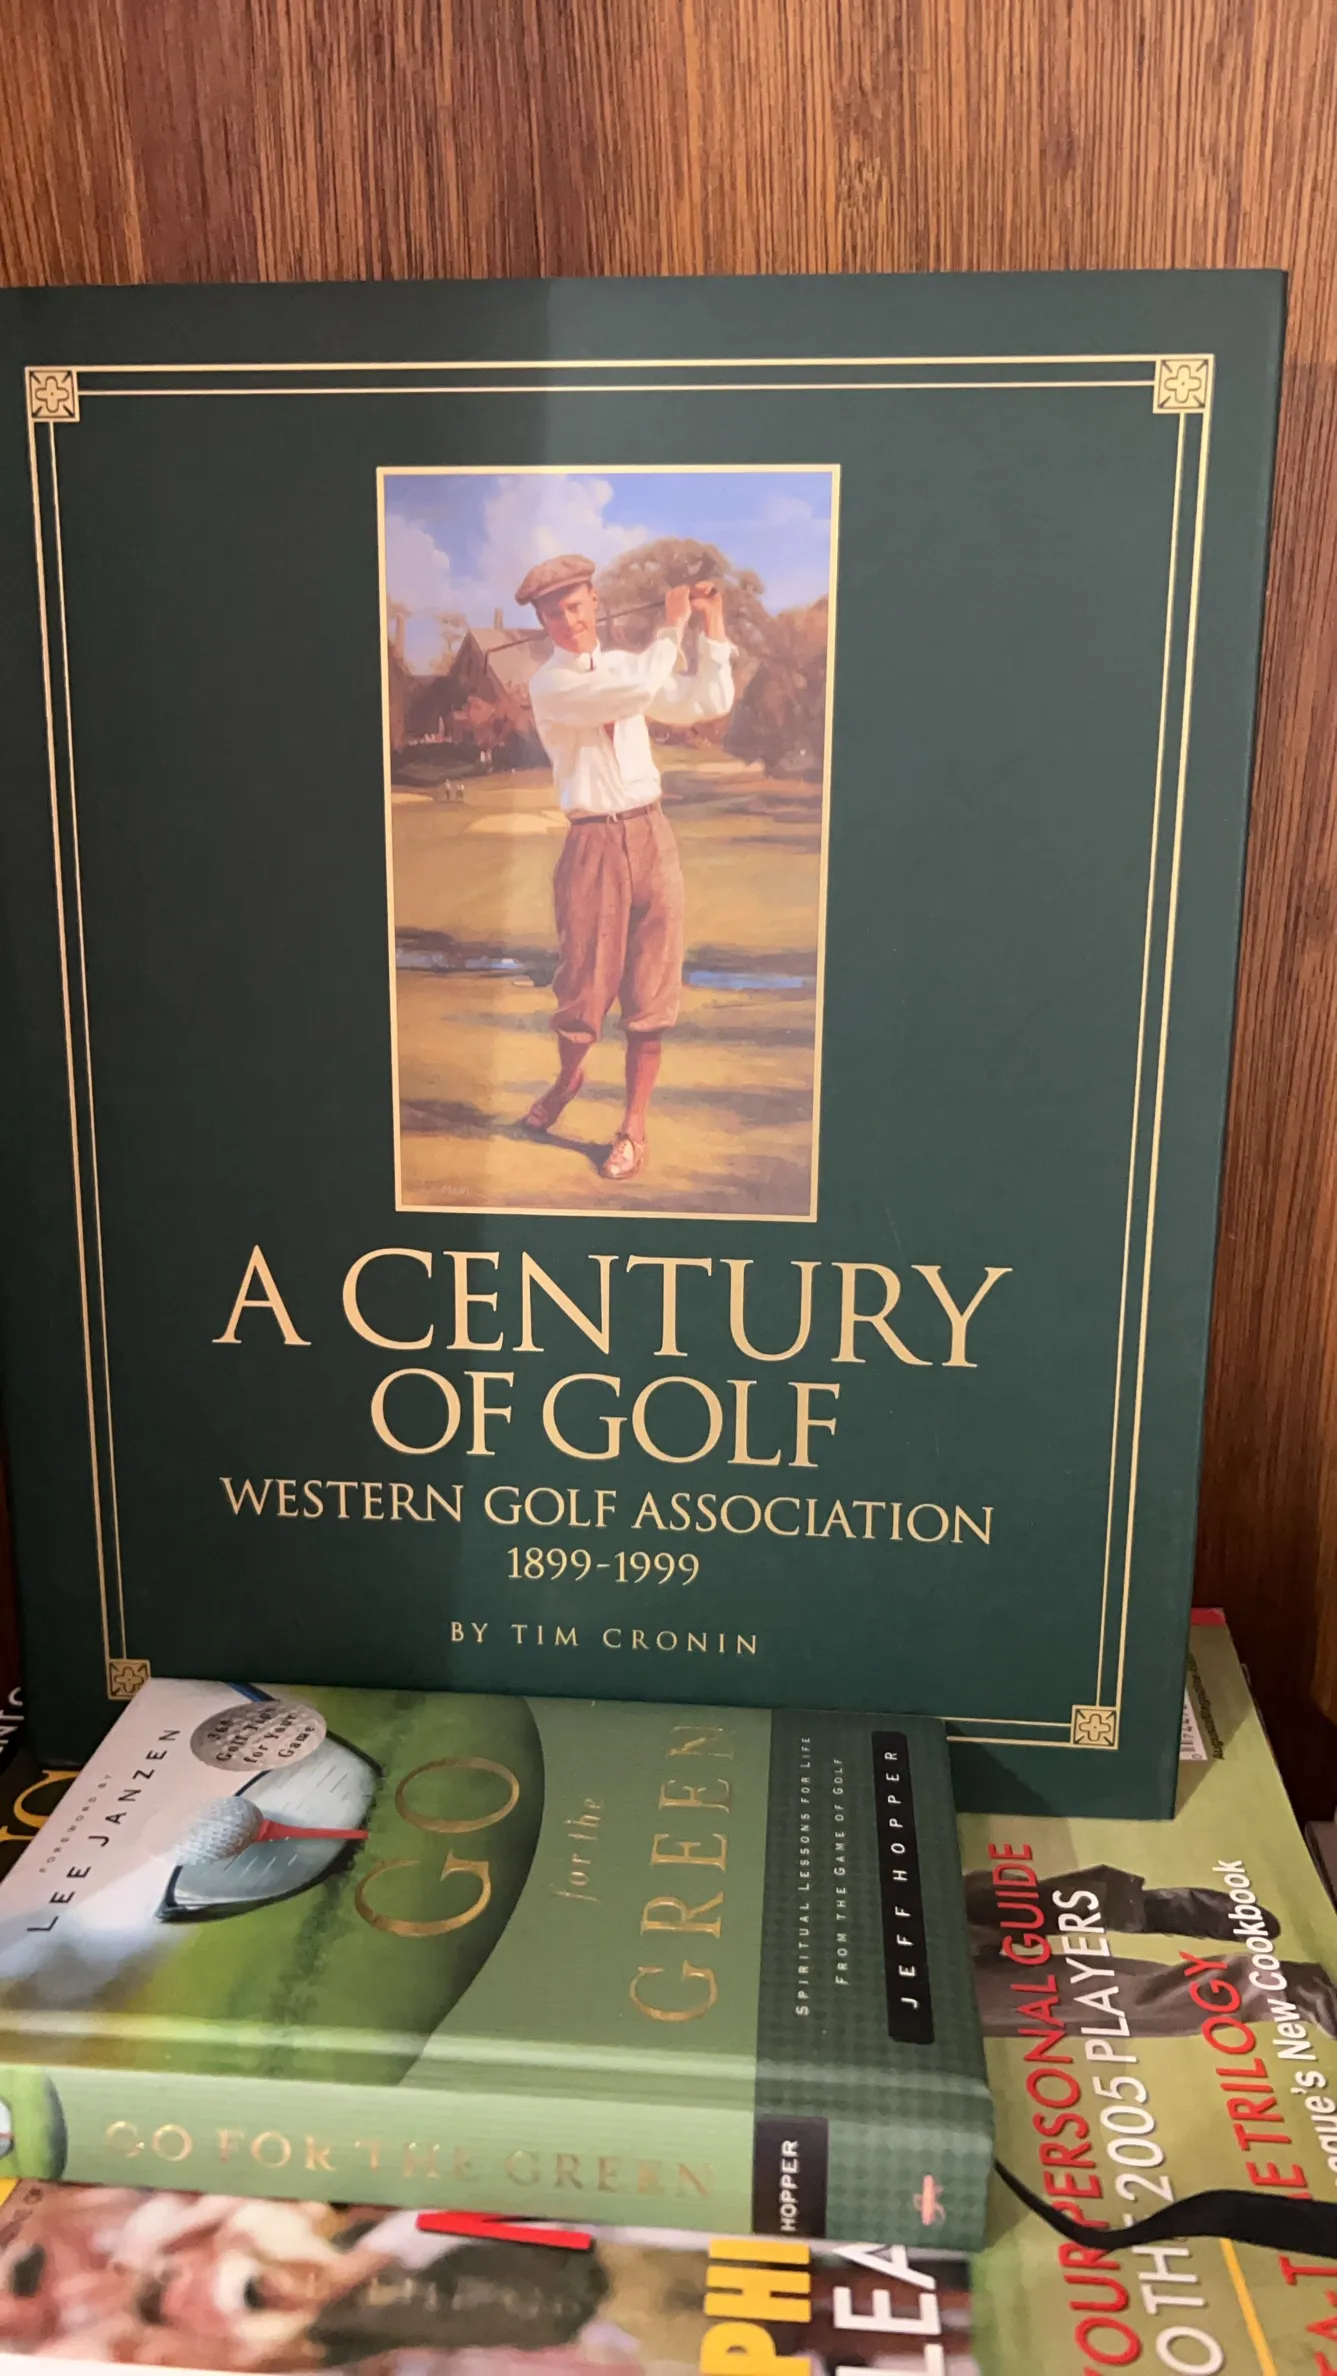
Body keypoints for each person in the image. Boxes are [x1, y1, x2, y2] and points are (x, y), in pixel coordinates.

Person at [515, 553, 735, 1182]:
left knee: (651, 992)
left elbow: (707, 698)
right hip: (591, 845)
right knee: (581, 995)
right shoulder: (550, 685)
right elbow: (637, 690)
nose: (568, 621)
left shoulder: (623, 667)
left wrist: (711, 623)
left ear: (595, 602)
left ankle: (633, 1128)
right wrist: (672, 625)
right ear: (542, 622)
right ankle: (568, 1079)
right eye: (553, 614)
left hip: (651, 834)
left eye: (575, 606)